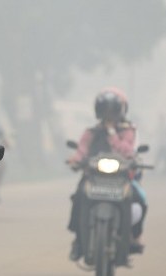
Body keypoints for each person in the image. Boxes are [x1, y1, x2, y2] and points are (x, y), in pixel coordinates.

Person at [66, 86, 147, 261]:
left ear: (121, 111)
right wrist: (75, 160)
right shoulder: (91, 132)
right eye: (105, 111)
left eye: (113, 111)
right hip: (93, 177)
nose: (109, 115)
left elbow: (127, 152)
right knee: (78, 196)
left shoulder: (128, 131)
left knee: (140, 200)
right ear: (98, 111)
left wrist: (112, 134)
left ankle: (134, 237)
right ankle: (78, 241)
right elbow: (82, 150)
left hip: (122, 179)